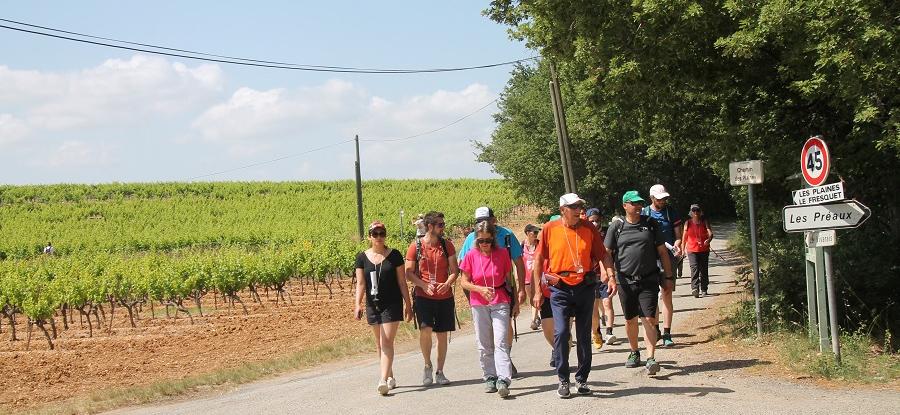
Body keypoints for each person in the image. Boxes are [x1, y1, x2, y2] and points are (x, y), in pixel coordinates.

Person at [532, 193, 616, 398]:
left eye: (580, 206)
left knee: (584, 334)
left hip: (585, 286)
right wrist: (536, 291)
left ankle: (582, 379)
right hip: (559, 288)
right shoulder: (549, 229)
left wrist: (611, 275)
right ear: (563, 210)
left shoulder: (589, 228)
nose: (579, 209)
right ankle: (563, 379)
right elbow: (538, 259)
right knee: (561, 333)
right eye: (574, 206)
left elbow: (602, 254)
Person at [606, 190, 674, 376]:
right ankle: (634, 351)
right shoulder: (617, 226)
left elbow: (662, 252)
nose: (638, 206)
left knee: (650, 319)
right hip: (625, 281)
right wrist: (610, 275)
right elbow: (606, 253)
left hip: (648, 279)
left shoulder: (651, 224)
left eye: (640, 203)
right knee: (630, 320)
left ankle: (651, 357)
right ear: (625, 206)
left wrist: (668, 277)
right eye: (634, 203)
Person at [458, 207, 527, 375]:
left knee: (504, 327)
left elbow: (518, 262)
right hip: (479, 291)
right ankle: (492, 369)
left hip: (502, 289)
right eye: (479, 221)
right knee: (485, 333)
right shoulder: (471, 238)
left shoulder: (507, 235)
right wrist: (475, 290)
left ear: (494, 220)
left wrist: (521, 290)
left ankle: (504, 358)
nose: (484, 243)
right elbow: (464, 264)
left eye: (486, 220)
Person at [354, 221, 414, 395]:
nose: (379, 237)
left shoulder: (394, 255)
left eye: (382, 233)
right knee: (379, 344)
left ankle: (382, 380)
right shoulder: (362, 257)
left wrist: (408, 305)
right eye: (375, 234)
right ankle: (390, 376)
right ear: (369, 237)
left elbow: (402, 282)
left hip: (392, 303)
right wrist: (357, 303)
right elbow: (360, 283)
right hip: (373, 304)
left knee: (386, 341)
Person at [459, 221, 517, 398]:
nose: (485, 244)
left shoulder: (502, 254)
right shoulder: (470, 255)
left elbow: (510, 279)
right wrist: (480, 290)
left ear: (493, 239)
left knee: (500, 341)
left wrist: (515, 301)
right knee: (484, 343)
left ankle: (503, 379)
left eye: (488, 240)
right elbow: (464, 281)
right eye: (481, 240)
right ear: (476, 240)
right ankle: (489, 376)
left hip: (500, 299)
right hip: (479, 301)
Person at [405, 211, 459, 387]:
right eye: (440, 225)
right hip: (423, 296)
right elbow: (408, 273)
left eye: (443, 224)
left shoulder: (447, 245)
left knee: (442, 334)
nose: (443, 227)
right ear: (430, 227)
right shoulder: (416, 246)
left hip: (444, 296)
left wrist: (448, 283)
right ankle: (427, 365)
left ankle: (440, 371)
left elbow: (455, 271)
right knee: (425, 330)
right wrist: (422, 284)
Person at [643, 184, 683, 347]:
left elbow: (678, 235)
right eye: (660, 199)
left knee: (666, 293)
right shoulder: (644, 213)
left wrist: (678, 245)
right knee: (652, 295)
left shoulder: (671, 212)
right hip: (649, 259)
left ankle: (667, 333)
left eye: (665, 198)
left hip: (668, 257)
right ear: (652, 198)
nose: (663, 201)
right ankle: (656, 330)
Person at [586, 208, 617, 349]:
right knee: (593, 310)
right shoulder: (584, 234)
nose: (595, 223)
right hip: (590, 277)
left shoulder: (607, 234)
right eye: (592, 221)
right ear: (587, 220)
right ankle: (596, 333)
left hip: (605, 276)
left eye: (597, 220)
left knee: (607, 303)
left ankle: (609, 332)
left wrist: (611, 273)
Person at [680, 204, 715, 298]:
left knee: (703, 269)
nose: (696, 212)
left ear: (701, 211)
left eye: (697, 210)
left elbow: (711, 234)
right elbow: (684, 238)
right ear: (691, 212)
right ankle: (695, 288)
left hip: (704, 249)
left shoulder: (705, 222)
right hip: (692, 250)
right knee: (694, 268)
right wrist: (683, 250)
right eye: (694, 210)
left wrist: (709, 240)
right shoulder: (688, 223)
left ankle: (704, 288)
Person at [522, 224, 541, 331]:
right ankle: (536, 317)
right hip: (526, 277)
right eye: (534, 232)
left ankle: (533, 320)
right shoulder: (521, 246)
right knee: (531, 299)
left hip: (538, 276)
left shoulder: (540, 244)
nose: (536, 234)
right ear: (528, 233)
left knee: (536, 297)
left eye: (537, 232)